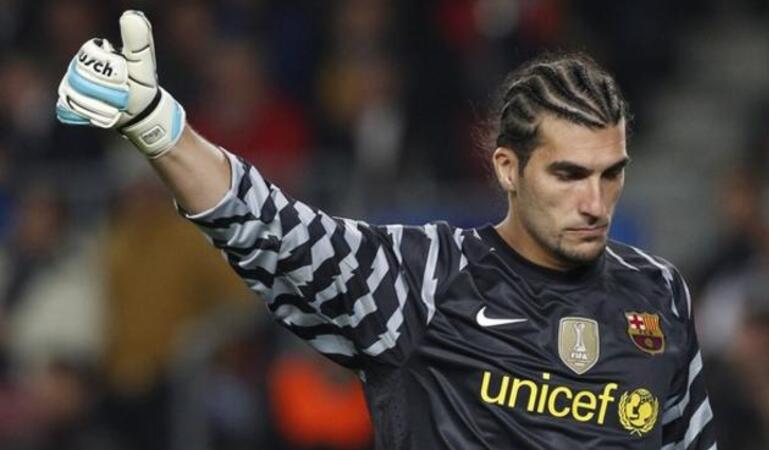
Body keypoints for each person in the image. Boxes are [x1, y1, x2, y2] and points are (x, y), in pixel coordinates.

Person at [55, 10, 716, 449]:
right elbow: (269, 223)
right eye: (569, 174)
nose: (595, 202)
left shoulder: (658, 295)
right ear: (508, 169)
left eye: (610, 174)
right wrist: (160, 129)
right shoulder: (424, 275)